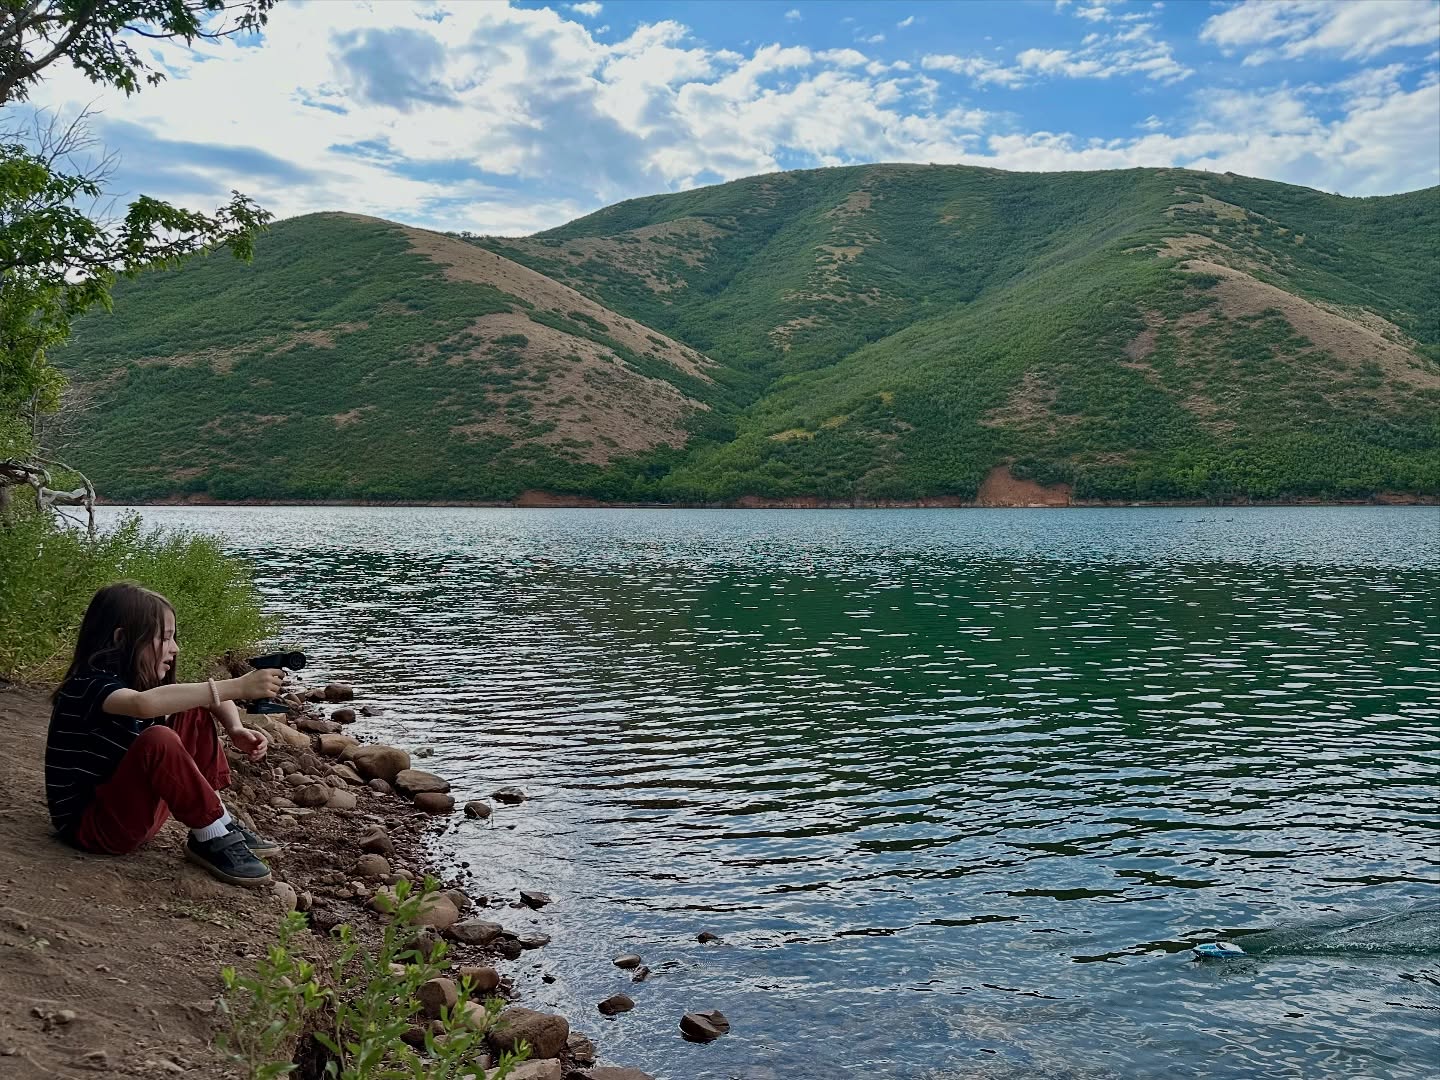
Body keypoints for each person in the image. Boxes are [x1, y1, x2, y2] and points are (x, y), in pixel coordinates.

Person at [46, 582, 284, 886]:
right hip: (95, 829)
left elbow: (202, 697)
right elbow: (142, 705)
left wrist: (235, 728)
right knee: (158, 739)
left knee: (191, 707)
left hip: (131, 813)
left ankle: (218, 821)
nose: (175, 648)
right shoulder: (88, 686)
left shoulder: (138, 681)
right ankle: (212, 834)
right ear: (121, 639)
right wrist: (238, 686)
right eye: (165, 638)